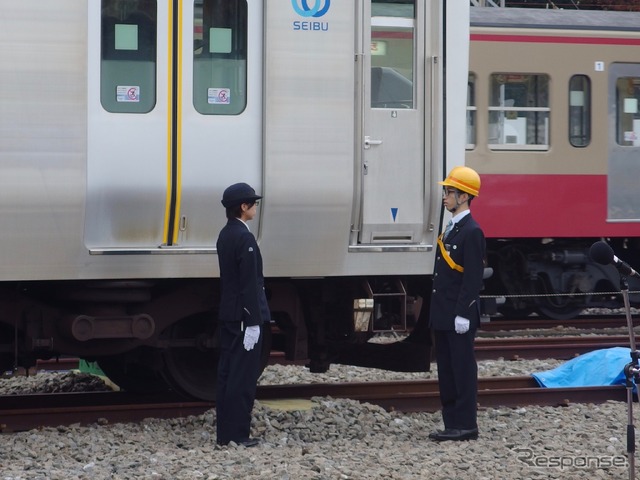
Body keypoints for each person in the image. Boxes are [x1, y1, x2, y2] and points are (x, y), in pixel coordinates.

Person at [428, 166, 486, 442]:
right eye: (446, 191)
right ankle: (452, 423)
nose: (445, 196)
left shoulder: (472, 231)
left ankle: (466, 425)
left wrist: (463, 313)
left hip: (457, 315)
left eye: (450, 191)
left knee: (462, 370)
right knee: (447, 371)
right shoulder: (453, 228)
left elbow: (473, 278)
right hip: (444, 313)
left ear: (464, 197)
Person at [215, 182, 270, 447]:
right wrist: (253, 321)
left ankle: (225, 435)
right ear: (243, 207)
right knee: (242, 378)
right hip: (243, 317)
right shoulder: (244, 238)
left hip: (229, 314)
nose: (256, 207)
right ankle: (237, 436)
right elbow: (248, 283)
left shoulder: (225, 234)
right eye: (253, 203)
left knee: (227, 374)